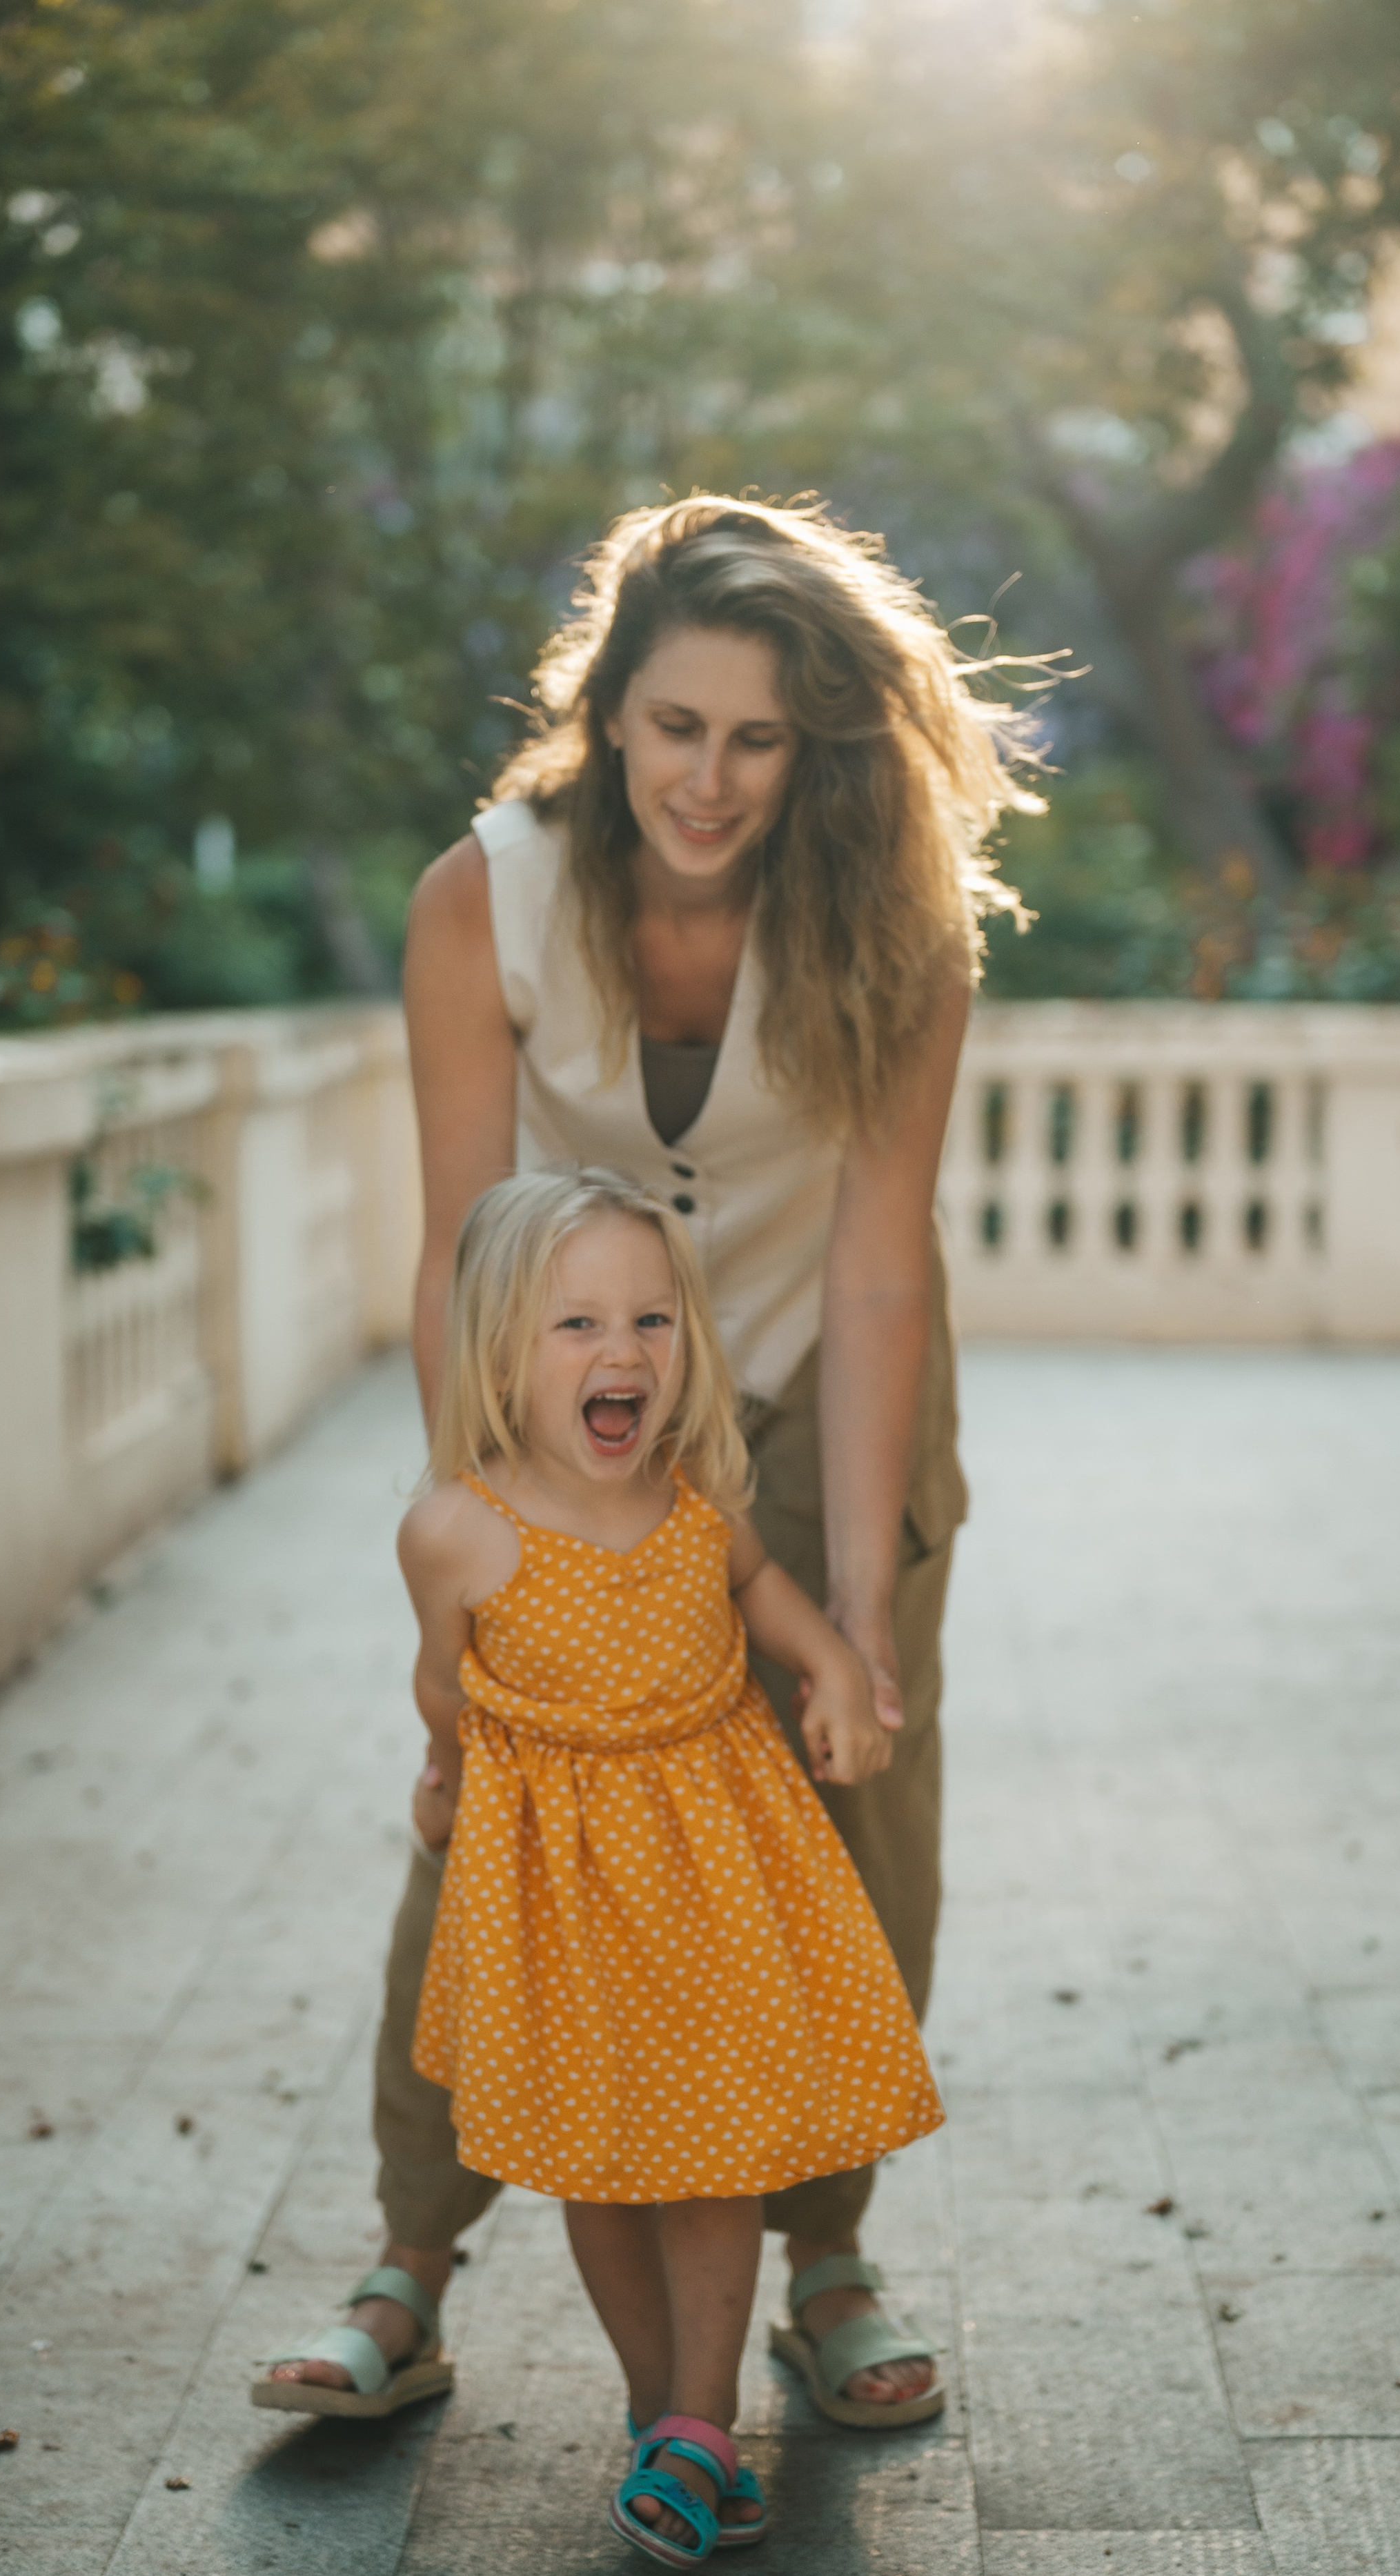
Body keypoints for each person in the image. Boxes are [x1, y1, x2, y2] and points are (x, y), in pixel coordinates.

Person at [252, 492, 1032, 2433]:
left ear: (814, 744)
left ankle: (825, 2256)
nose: (709, 777)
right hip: (573, 1377)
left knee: (848, 1798)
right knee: (511, 1792)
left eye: (758, 738)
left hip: (822, 1369)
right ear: (607, 711)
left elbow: (876, 1261)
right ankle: (408, 2262)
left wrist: (852, 1610)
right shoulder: (484, 897)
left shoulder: (901, 915)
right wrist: (478, 1509)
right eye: (676, 725)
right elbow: (463, 1236)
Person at [422, 1168, 943, 2563]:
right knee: (598, 2171)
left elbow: (767, 1596)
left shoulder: (697, 1498)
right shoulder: (456, 1531)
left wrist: (837, 1666)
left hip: (717, 1883)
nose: (625, 1353)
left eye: (651, 1320)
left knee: (715, 2161)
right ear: (497, 1353)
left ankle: (704, 2426)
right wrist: (439, 1777)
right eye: (578, 1324)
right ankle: (664, 2417)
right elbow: (445, 1686)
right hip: (562, 1906)